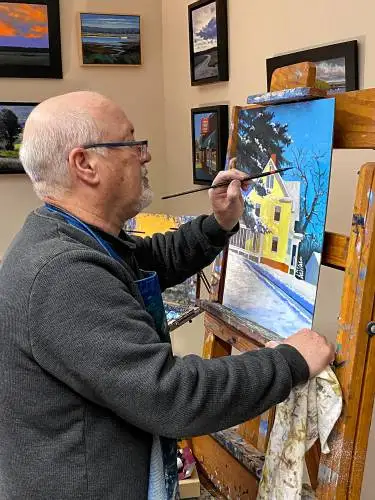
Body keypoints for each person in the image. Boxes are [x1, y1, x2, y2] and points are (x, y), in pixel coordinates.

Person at [0, 91, 335, 500]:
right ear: (84, 164)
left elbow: (150, 262)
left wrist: (219, 224)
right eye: (130, 143)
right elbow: (173, 396)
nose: (145, 156)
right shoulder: (63, 272)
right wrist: (290, 361)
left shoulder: (77, 240)